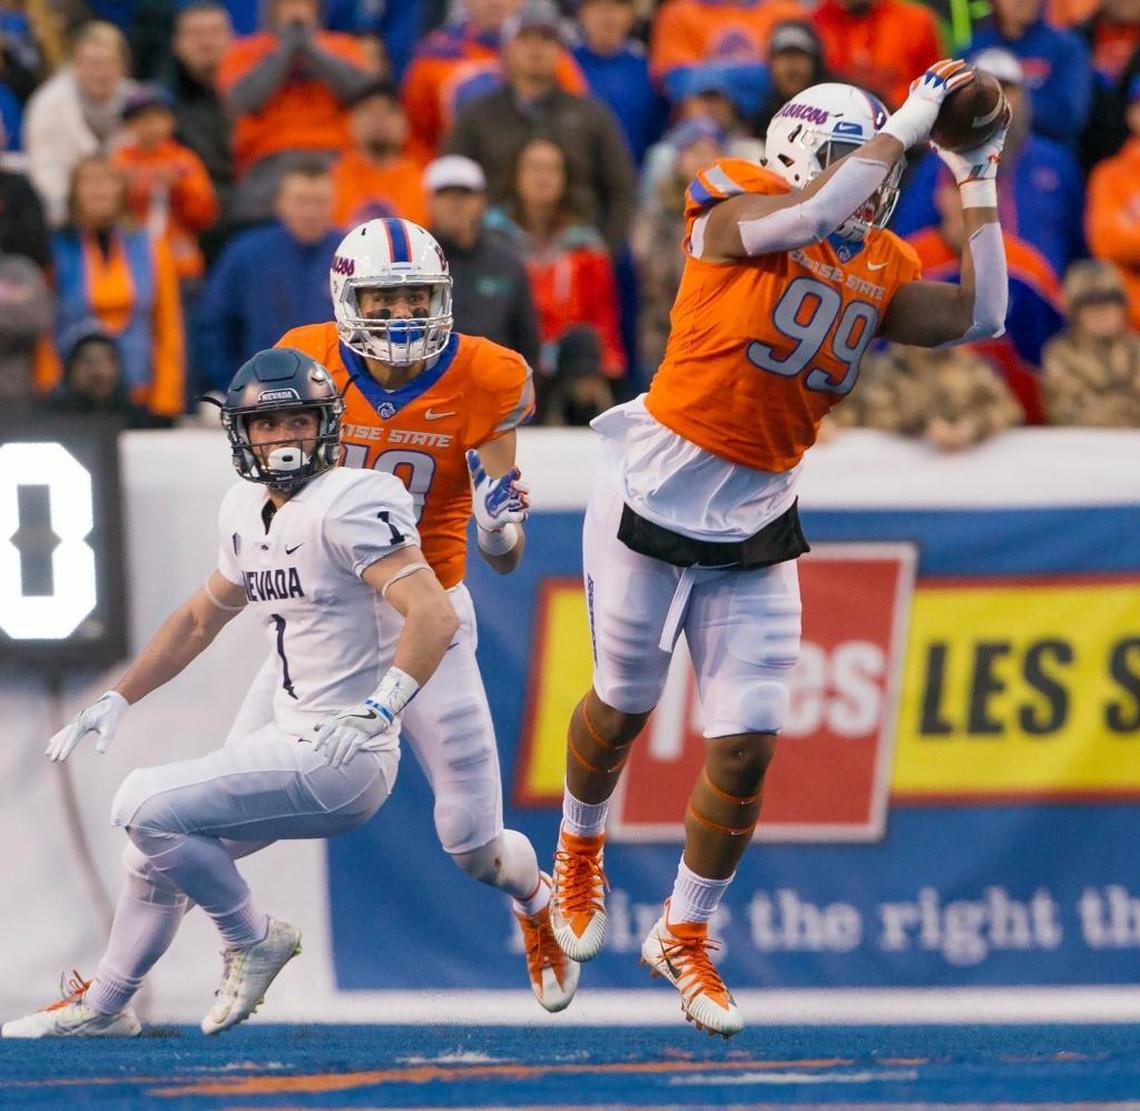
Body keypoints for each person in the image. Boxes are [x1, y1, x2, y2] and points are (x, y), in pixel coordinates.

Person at [545, 65, 1011, 1037]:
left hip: (759, 515)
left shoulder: (877, 259)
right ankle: (579, 847)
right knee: (624, 702)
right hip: (654, 488)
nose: (877, 187)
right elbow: (805, 219)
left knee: (749, 745)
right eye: (855, 161)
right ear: (798, 149)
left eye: (884, 171)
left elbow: (984, 315)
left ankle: (683, 928)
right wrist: (917, 117)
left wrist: (976, 178)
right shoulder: (731, 193)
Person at [2, 346, 460, 1037]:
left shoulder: (353, 501)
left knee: (142, 804)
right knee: (150, 852)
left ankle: (252, 937)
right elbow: (197, 619)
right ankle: (106, 1005)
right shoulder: (246, 509)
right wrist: (120, 695)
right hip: (291, 734)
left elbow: (435, 612)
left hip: (347, 752)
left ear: (324, 425)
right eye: (265, 426)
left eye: (296, 422)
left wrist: (383, 703)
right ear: (240, 433)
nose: (281, 439)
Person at [222, 216, 576, 1014]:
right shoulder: (306, 356)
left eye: (418, 294)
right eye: (384, 298)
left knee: (474, 845)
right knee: (221, 796)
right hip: (324, 621)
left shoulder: (487, 373)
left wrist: (495, 524)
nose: (404, 313)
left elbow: (507, 554)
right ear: (347, 299)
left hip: (430, 616)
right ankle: (130, 978)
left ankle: (534, 901)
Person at [444, 0, 635, 257]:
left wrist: (604, 254)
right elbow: (451, 183)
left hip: (577, 256)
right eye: (525, 37)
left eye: (546, 38)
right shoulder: (477, 115)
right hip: (493, 255)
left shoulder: (591, 115)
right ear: (508, 48)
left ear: (561, 50)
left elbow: (622, 188)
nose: (536, 47)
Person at [46, 155, 186, 419]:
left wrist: (167, 398)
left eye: (109, 179)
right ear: (74, 192)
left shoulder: (151, 246)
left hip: (139, 393)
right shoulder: (54, 248)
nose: (100, 188)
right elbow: (45, 328)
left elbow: (168, 326)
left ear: (122, 189)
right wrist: (49, 387)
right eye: (89, 181)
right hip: (70, 397)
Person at [485, 135, 626, 389]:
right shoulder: (489, 241)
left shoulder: (586, 245)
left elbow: (602, 321)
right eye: (534, 168)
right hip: (503, 367)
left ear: (566, 179)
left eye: (552, 169)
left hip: (570, 374)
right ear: (515, 175)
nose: (543, 178)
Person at [217, 0, 375, 225]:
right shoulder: (244, 51)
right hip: (269, 158)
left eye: (304, 4)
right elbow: (243, 99)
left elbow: (362, 91)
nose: (295, 10)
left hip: (336, 155)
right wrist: (286, 49)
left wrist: (310, 48)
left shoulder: (342, 46)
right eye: (286, 4)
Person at [200, 162, 341, 387]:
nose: (310, 211)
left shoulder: (349, 255)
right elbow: (214, 326)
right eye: (301, 201)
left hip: (338, 392)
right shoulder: (245, 253)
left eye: (320, 202)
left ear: (334, 205)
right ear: (280, 204)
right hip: (261, 392)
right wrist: (235, 386)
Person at [401, 0, 587, 167]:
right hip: (466, 180)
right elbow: (417, 138)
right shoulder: (436, 55)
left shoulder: (550, 57)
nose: (494, 3)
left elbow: (577, 119)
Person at [425, 154, 541, 371]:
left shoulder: (507, 263)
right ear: (429, 202)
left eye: (464, 195)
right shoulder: (412, 263)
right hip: (430, 388)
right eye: (445, 195)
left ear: (481, 201)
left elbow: (528, 343)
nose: (455, 204)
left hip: (495, 387)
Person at [23, 21, 136, 225]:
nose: (101, 72)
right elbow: (45, 171)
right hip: (66, 217)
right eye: (92, 63)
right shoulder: (48, 104)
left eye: (109, 63)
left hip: (129, 215)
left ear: (123, 66)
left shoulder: (140, 102)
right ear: (75, 65)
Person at [113, 84, 220, 284]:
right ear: (129, 125)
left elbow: (204, 214)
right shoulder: (118, 163)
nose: (150, 125)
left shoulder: (184, 161)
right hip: (132, 263)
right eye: (140, 119)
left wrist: (178, 188)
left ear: (171, 121)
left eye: (157, 117)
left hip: (179, 263)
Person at [968, 0, 1092, 148]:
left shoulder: (1067, 47)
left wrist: (1009, 103)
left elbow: (1071, 117)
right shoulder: (973, 51)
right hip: (981, 153)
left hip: (1046, 156)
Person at [1042, 260, 1140, 426]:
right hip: (1084, 446)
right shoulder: (1061, 353)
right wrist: (1126, 405)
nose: (1101, 312)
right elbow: (1066, 412)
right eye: (1089, 304)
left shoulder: (1135, 348)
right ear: (1074, 312)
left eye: (1110, 300)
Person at [572, 0, 667, 167]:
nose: (608, 17)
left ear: (630, 16)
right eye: (599, 8)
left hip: (634, 174)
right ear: (582, 14)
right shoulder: (566, 65)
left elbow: (658, 132)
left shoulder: (648, 70)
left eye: (617, 8)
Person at [331, 80, 428, 228]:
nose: (379, 118)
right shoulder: (331, 182)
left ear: (406, 123)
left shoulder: (426, 185)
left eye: (390, 110)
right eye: (368, 110)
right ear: (351, 122)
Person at [811, 0, 942, 109]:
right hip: (832, 121)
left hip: (903, 125)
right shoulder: (815, 22)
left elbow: (933, 88)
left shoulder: (916, 21)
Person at [1087, 74, 1140, 330]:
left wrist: (1131, 231)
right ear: (1131, 114)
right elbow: (1106, 242)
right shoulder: (1108, 175)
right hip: (1126, 323)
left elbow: (1122, 240)